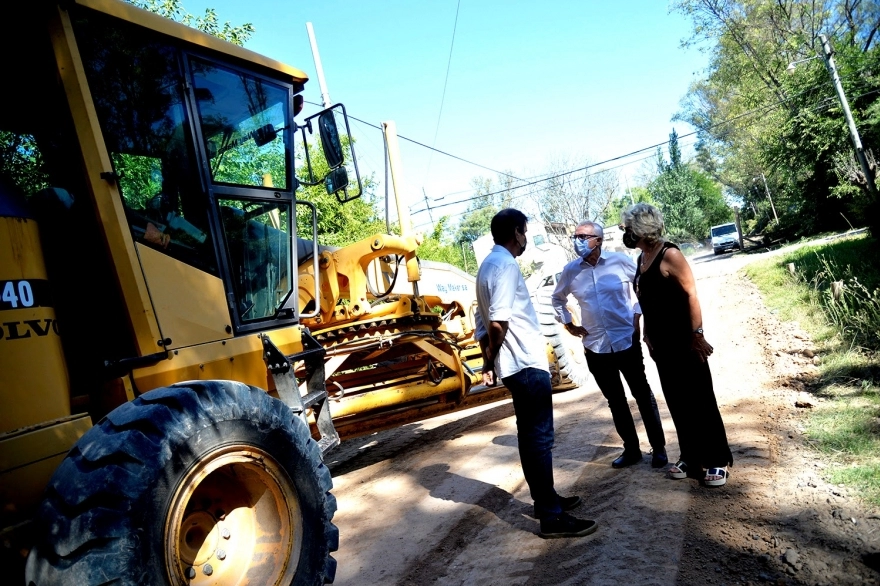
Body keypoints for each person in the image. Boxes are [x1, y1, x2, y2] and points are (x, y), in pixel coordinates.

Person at [475, 208, 598, 538]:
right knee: (538, 440)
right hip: (525, 365)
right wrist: (490, 363)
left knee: (533, 438)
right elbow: (497, 322)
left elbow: (481, 324)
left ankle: (548, 500)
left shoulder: (488, 265)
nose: (526, 238)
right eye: (525, 232)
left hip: (517, 366)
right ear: (516, 232)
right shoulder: (503, 265)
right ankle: (551, 516)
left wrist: (490, 360)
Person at [621, 203, 733, 487]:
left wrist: (697, 334)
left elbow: (691, 295)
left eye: (628, 228)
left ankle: (717, 459)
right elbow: (647, 300)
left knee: (700, 400)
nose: (626, 233)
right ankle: (690, 457)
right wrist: (646, 332)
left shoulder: (669, 254)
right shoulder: (641, 258)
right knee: (677, 401)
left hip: (685, 341)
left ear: (642, 229)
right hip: (661, 346)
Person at [551, 221, 668, 469]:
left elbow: (642, 288)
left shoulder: (621, 261)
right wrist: (569, 324)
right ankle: (632, 449)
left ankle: (659, 448)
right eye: (575, 236)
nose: (577, 240)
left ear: (599, 240)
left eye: (583, 236)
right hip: (596, 347)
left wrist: (637, 315)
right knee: (615, 400)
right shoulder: (571, 271)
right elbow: (557, 299)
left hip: (626, 340)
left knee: (642, 394)